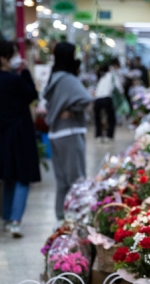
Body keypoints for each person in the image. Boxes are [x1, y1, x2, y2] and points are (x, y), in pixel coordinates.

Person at [0, 40, 40, 237]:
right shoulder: (14, 81)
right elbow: (31, 94)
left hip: (1, 136)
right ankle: (16, 220)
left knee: (9, 178)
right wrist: (25, 72)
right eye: (14, 55)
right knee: (23, 177)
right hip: (20, 136)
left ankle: (7, 218)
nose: (17, 58)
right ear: (3, 58)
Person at [43, 42, 93, 221]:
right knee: (77, 180)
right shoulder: (68, 79)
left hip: (56, 134)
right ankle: (77, 218)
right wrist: (73, 109)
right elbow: (86, 98)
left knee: (63, 182)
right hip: (70, 132)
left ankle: (61, 218)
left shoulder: (54, 77)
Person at [94, 64, 122, 141]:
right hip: (107, 98)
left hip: (98, 99)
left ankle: (98, 135)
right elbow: (119, 88)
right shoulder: (113, 76)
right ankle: (109, 136)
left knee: (97, 118)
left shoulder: (102, 77)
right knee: (111, 118)